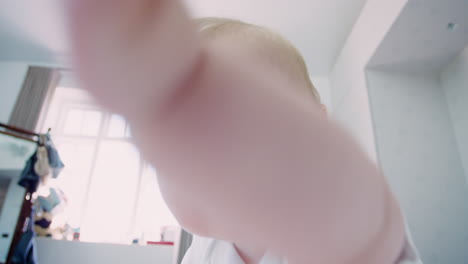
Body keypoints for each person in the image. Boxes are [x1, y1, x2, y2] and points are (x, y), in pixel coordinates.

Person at [66, 1, 422, 263]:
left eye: (245, 131)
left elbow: (367, 235)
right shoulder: (200, 255)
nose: (215, 168)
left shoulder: (333, 234)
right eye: (181, 154)